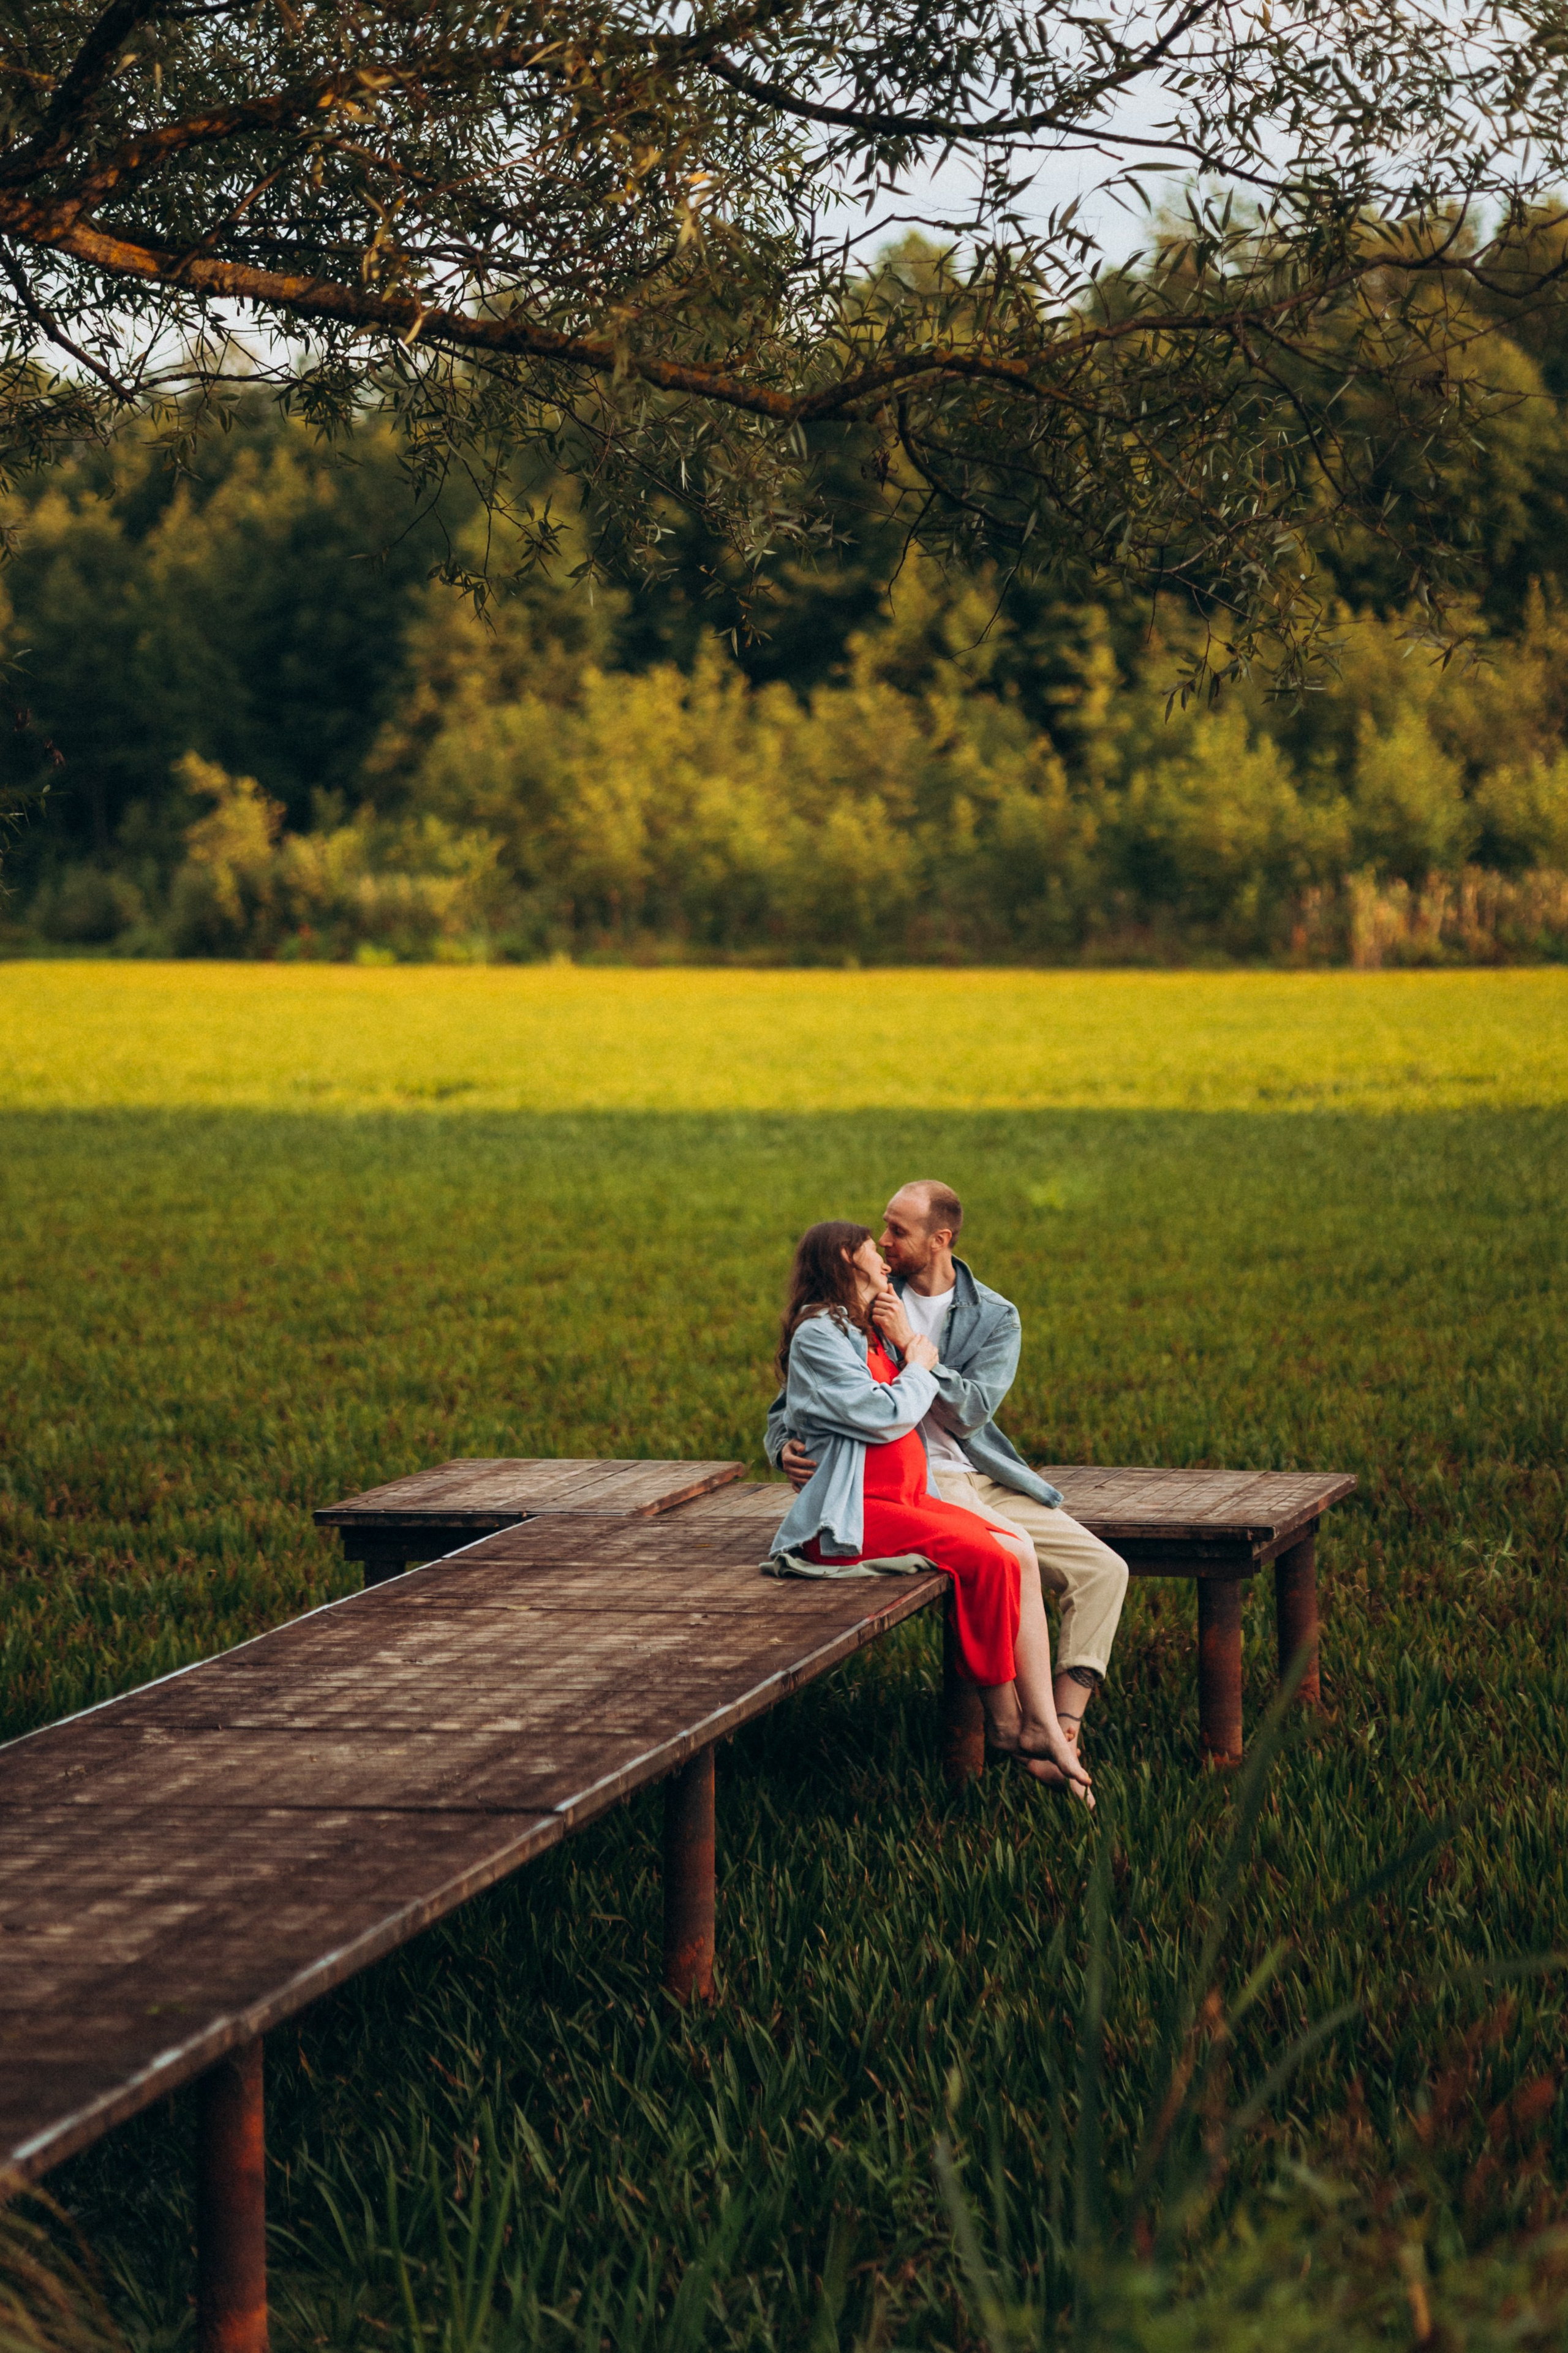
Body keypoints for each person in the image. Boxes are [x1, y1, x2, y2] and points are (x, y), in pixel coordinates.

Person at [766, 1181, 1127, 1788]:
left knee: (1104, 1569)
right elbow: (797, 1403)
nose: (884, 1243)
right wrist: (783, 1448)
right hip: (913, 1484)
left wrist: (914, 1347)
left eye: (897, 1232)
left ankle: (1063, 1726)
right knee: (1008, 1552)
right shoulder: (858, 1311)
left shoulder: (991, 1315)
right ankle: (1023, 1730)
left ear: (941, 1239)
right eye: (879, 1233)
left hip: (977, 1469)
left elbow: (970, 1411)